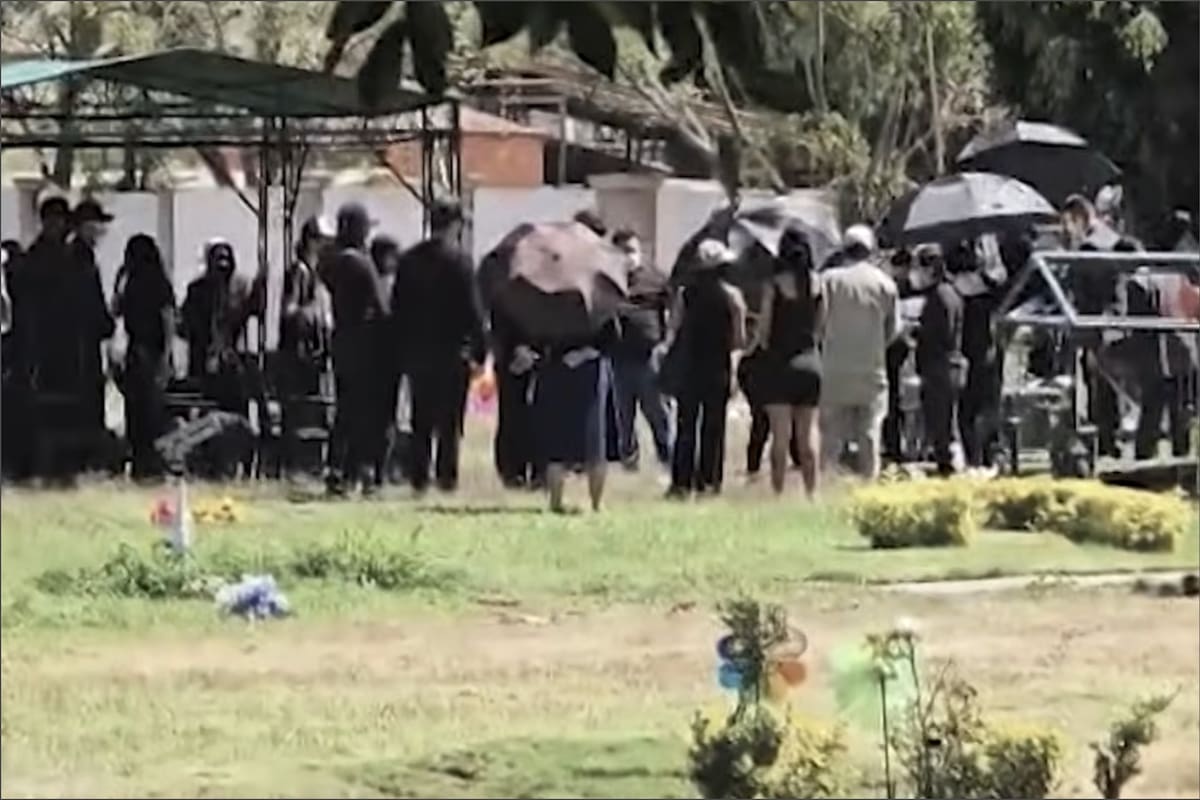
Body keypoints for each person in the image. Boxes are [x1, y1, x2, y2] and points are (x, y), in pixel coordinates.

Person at [390, 199, 486, 494]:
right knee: (449, 424)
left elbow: (398, 309)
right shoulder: (461, 262)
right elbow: (473, 312)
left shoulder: (408, 261)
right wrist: (481, 352)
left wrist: (403, 350)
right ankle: (447, 479)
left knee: (421, 420)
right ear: (455, 224)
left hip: (419, 354)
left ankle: (418, 478)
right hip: (452, 354)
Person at [662, 239, 746, 498]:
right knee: (714, 427)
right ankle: (709, 482)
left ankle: (681, 483)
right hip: (717, 365)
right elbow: (739, 339)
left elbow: (673, 327)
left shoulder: (685, 293)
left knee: (685, 425)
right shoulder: (733, 296)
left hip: (689, 364)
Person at [318, 203, 389, 495]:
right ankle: (356, 472)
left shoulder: (330, 261)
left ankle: (335, 470)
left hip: (342, 341)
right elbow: (381, 306)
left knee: (344, 411)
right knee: (365, 412)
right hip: (365, 344)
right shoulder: (360, 262)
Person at [819, 224, 899, 480]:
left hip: (834, 368)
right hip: (872, 369)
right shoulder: (885, 283)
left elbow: (819, 323)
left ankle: (826, 485)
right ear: (870, 250)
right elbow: (893, 329)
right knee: (870, 432)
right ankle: (868, 486)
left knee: (831, 435)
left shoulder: (829, 280)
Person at [180, 239, 264, 478]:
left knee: (237, 417)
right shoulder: (197, 290)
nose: (223, 264)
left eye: (227, 258)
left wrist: (259, 289)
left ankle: (241, 464)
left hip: (233, 363)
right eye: (217, 258)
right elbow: (186, 325)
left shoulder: (241, 285)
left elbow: (254, 312)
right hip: (205, 363)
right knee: (208, 417)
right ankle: (209, 462)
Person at [749, 227, 822, 496]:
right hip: (810, 362)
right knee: (808, 434)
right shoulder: (818, 283)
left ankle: (778, 492)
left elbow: (764, 331)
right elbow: (820, 327)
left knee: (780, 435)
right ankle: (812, 492)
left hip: (780, 363)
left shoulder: (774, 285)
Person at [112, 234, 175, 480]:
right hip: (141, 350)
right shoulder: (138, 282)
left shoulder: (152, 283)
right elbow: (116, 309)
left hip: (146, 350)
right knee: (140, 409)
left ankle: (147, 461)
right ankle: (143, 461)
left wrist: (165, 358)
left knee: (144, 410)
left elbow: (166, 319)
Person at [611, 228, 673, 471]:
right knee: (621, 417)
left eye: (631, 250)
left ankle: (667, 459)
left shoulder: (655, 278)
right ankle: (628, 462)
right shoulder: (607, 281)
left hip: (649, 357)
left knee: (658, 412)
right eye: (621, 251)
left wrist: (667, 344)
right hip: (617, 359)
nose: (628, 256)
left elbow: (673, 308)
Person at [278, 217, 332, 477]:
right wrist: (314, 313)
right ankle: (295, 464)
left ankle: (306, 463)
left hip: (309, 354)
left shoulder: (314, 271)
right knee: (299, 411)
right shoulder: (299, 271)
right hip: (297, 356)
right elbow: (289, 311)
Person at [951, 238, 1007, 468]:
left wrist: (987, 277)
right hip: (967, 341)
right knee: (969, 405)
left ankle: (991, 452)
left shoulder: (989, 241)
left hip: (989, 338)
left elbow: (1001, 278)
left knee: (990, 400)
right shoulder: (954, 247)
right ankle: (973, 456)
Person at [913, 244, 965, 476]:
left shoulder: (938, 297)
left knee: (940, 421)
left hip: (938, 366)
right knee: (947, 419)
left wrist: (916, 331)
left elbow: (938, 332)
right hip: (951, 364)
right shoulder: (953, 292)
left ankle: (948, 467)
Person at [369, 233, 404, 486]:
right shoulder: (389, 285)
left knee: (372, 417)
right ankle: (380, 471)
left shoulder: (366, 281)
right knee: (386, 418)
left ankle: (372, 469)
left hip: (371, 358)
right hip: (389, 358)